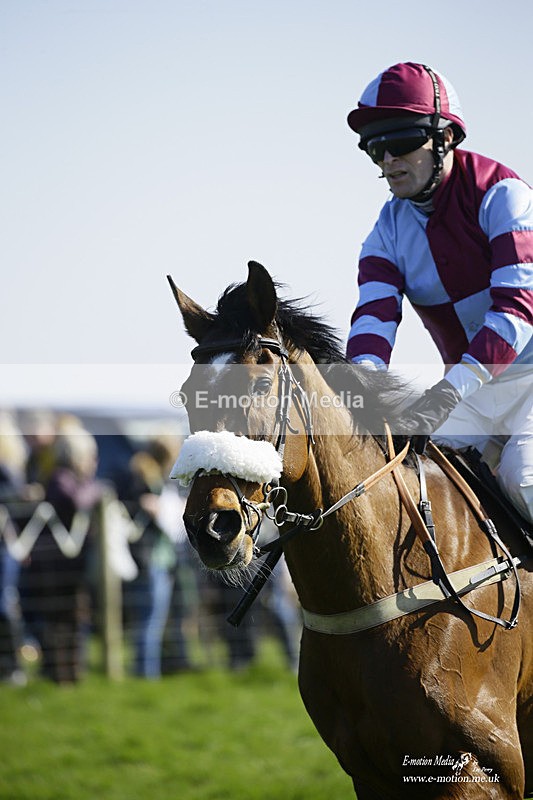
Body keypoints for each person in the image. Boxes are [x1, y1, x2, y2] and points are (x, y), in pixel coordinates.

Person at [346, 62, 533, 524]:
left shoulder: (503, 194)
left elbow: (515, 313)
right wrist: (358, 392)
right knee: (419, 478)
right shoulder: (385, 233)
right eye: (374, 148)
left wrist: (447, 393)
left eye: (402, 141)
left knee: (523, 476)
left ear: (445, 138)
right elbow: (372, 324)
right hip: (477, 389)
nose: (388, 159)